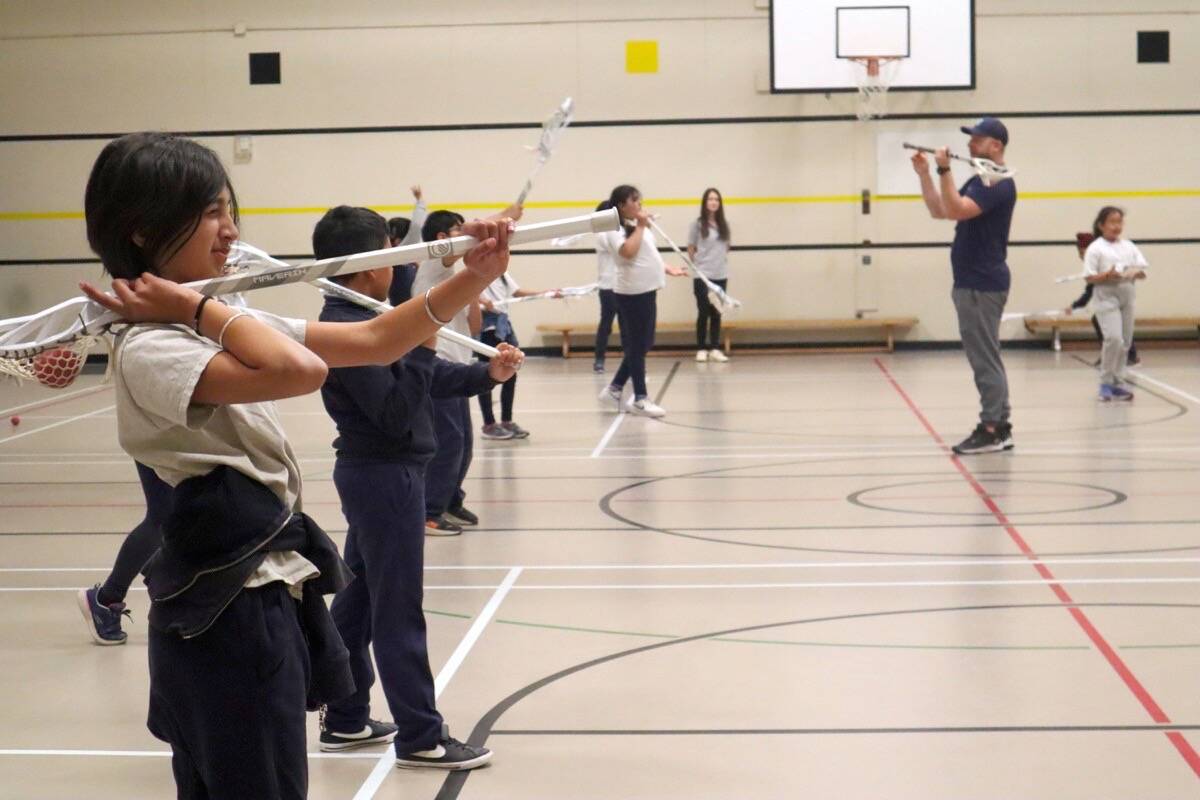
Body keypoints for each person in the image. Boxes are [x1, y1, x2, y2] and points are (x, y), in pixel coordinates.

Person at [79, 132, 511, 798]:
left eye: (229, 210)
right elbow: (302, 370)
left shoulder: (214, 319)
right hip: (223, 611)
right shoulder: (152, 345)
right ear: (142, 229)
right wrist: (197, 306)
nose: (230, 230)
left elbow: (377, 339)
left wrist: (473, 276)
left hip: (259, 596)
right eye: (210, 212)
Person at [312, 204, 521, 769]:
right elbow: (398, 412)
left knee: (358, 602)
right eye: (389, 251)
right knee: (398, 610)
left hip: (382, 476)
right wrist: (426, 344)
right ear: (365, 267)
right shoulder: (345, 327)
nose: (398, 261)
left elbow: (418, 378)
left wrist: (487, 374)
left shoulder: (368, 309)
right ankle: (421, 736)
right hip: (384, 479)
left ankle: (346, 717)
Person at [911, 117, 1018, 454]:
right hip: (971, 282)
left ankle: (992, 428)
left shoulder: (996, 183)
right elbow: (940, 210)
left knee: (984, 359)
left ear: (996, 146)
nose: (971, 144)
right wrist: (926, 175)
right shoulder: (979, 179)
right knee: (986, 356)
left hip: (981, 284)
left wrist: (944, 170)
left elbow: (957, 211)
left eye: (978, 139)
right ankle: (1000, 424)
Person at [411, 204, 520, 533]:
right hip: (438, 366)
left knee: (465, 444)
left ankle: (450, 500)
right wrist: (499, 220)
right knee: (449, 443)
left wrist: (475, 280)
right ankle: (430, 511)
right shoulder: (432, 266)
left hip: (459, 367)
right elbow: (471, 237)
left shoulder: (455, 277)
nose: (464, 234)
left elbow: (474, 326)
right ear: (441, 238)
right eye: (457, 229)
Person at [596, 185, 687, 418]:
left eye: (639, 200)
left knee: (644, 343)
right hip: (632, 293)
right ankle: (640, 398)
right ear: (621, 205)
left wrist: (668, 268)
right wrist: (642, 226)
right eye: (634, 200)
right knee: (637, 346)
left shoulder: (634, 225)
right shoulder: (613, 227)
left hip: (647, 289)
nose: (639, 204)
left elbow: (647, 254)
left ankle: (614, 389)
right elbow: (628, 252)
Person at [477, 273, 559, 440]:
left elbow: (517, 292)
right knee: (485, 376)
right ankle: (489, 424)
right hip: (487, 329)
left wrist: (546, 293)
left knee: (511, 374)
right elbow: (467, 293)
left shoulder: (501, 274)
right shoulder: (475, 271)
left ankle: (507, 421)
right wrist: (481, 302)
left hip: (503, 326)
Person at [1081, 206, 1147, 401]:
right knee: (1114, 339)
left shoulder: (1129, 246)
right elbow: (1089, 277)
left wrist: (1135, 273)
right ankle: (1105, 382)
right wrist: (1107, 275)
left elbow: (1142, 269)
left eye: (1119, 222)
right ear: (1101, 225)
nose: (1116, 226)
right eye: (1112, 222)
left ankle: (1118, 382)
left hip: (1128, 295)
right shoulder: (1095, 248)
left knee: (1125, 341)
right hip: (1106, 297)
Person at [1065, 234, 1140, 367]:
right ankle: (1112, 354)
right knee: (1101, 320)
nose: (1081, 257)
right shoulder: (1094, 265)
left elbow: (1091, 290)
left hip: (1120, 296)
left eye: (1083, 252)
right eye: (1079, 253)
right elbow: (1090, 289)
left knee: (1115, 322)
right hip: (1110, 299)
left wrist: (1076, 305)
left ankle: (1129, 355)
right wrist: (1075, 306)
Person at [687, 187, 731, 363]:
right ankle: (701, 348)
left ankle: (714, 348)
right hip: (703, 276)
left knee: (716, 312)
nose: (713, 202)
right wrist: (698, 266)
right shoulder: (697, 225)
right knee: (703, 311)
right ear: (705, 203)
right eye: (710, 199)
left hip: (720, 274)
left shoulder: (724, 224)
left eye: (716, 199)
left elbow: (727, 247)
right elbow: (691, 248)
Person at [387, 185, 427, 305]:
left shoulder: (407, 261)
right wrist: (420, 201)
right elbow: (416, 228)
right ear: (398, 241)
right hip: (403, 310)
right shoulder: (397, 258)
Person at [592, 199, 619, 373]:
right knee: (606, 325)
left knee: (627, 326)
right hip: (608, 287)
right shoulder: (602, 235)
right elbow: (616, 247)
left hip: (622, 286)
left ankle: (631, 360)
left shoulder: (618, 233)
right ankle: (599, 359)